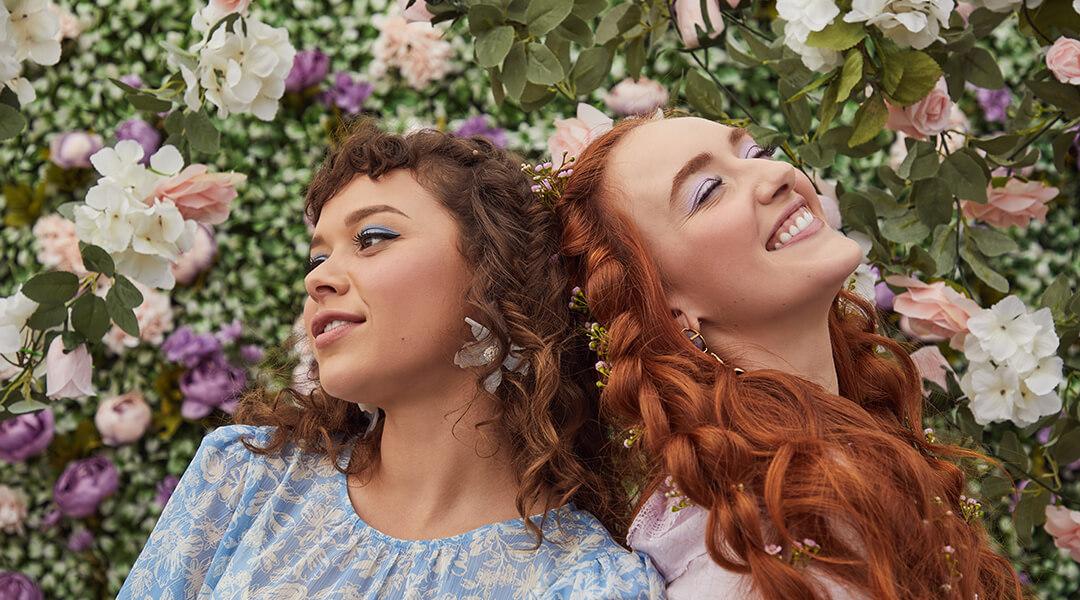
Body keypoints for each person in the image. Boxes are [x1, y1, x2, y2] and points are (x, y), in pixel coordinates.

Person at [116, 120, 665, 599]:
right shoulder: (246, 478)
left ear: (497, 277)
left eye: (372, 237)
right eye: (318, 256)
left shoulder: (589, 585)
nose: (317, 277)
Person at [552, 113, 1023, 599]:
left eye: (754, 152)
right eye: (709, 190)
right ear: (668, 311)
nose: (776, 174)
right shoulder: (742, 559)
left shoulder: (840, 446)